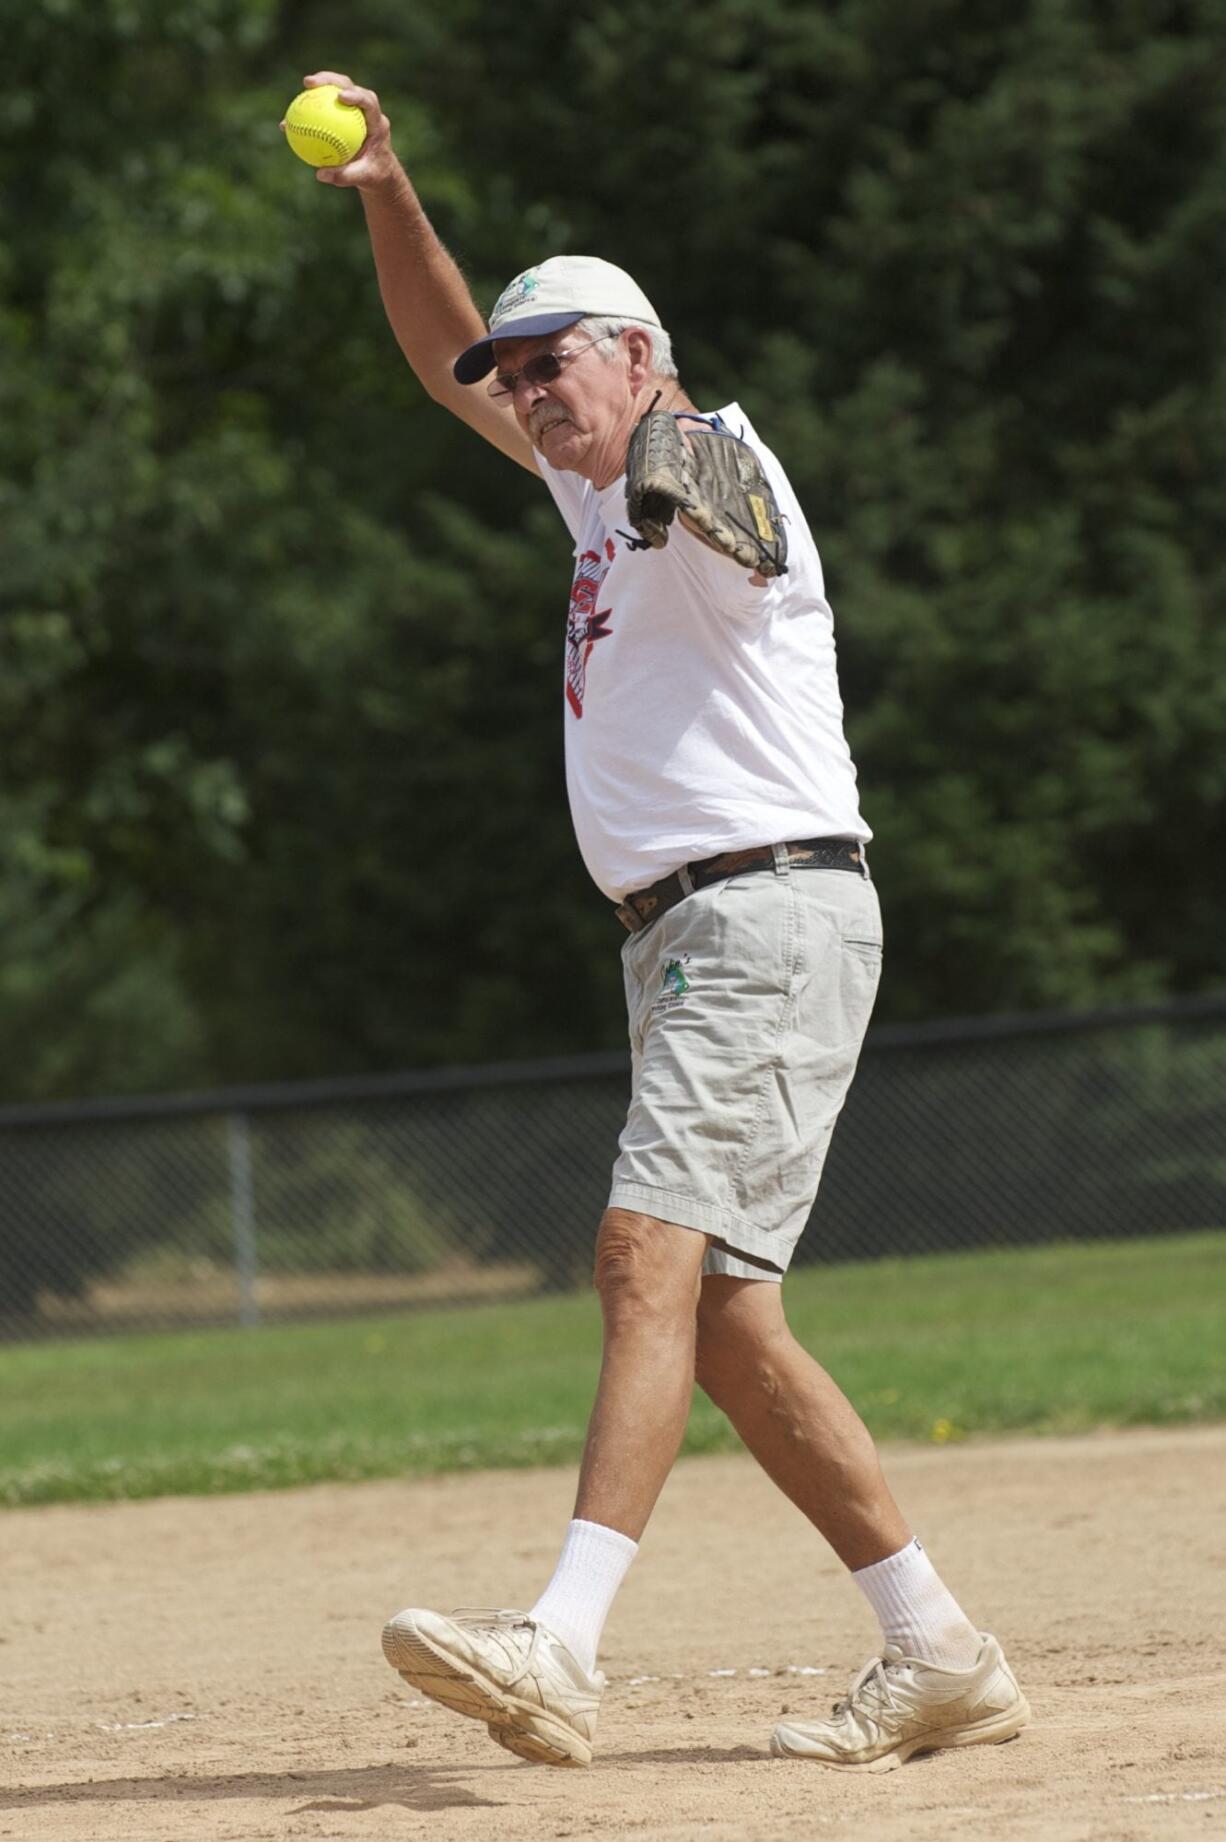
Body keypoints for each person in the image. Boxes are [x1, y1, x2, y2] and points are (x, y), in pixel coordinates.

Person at [286, 71, 1030, 1773]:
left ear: (642, 354)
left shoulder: (699, 457)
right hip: (692, 933)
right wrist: (388, 187)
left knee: (640, 1259)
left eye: (558, 361)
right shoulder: (585, 483)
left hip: (763, 915)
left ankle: (557, 1643)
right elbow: (434, 355)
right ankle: (935, 1648)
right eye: (521, 370)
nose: (529, 387)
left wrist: (671, 471)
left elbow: (735, 509)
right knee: (725, 1323)